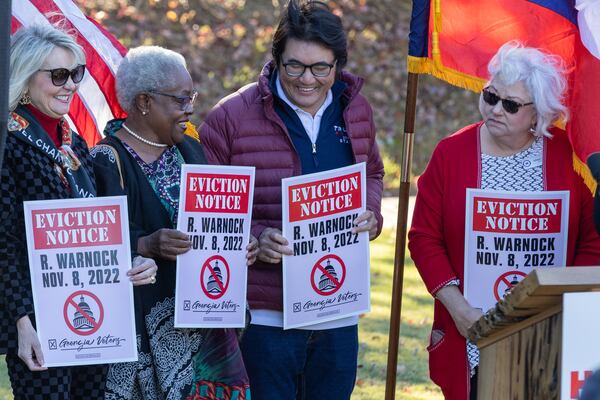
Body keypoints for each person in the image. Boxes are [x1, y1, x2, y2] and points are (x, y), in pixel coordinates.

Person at [199, 1, 384, 398]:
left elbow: (372, 172)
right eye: (294, 65)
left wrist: (371, 212)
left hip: (338, 313)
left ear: (338, 64)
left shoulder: (355, 108)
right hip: (265, 318)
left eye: (321, 67)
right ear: (276, 59)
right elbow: (206, 211)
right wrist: (257, 236)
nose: (307, 79)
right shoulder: (230, 117)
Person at [408, 41, 600, 400]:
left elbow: (594, 240)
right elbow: (423, 238)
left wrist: (566, 303)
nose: (495, 109)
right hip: (471, 333)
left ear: (538, 114)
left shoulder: (570, 158)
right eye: (491, 96)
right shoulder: (451, 154)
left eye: (510, 105)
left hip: (552, 333)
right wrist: (459, 309)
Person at [91, 45, 258, 400]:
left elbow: (219, 220)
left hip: (205, 328)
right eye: (181, 100)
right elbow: (95, 247)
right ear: (144, 102)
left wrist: (241, 242)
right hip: (147, 339)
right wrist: (145, 245)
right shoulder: (107, 159)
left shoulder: (190, 149)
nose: (190, 108)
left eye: (191, 97)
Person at [0, 24, 157, 399]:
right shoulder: (8, 144)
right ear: (25, 76)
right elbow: (3, 242)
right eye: (58, 75)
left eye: (75, 74)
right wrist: (22, 324)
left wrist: (135, 258)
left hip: (93, 316)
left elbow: (101, 227)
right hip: (36, 318)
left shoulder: (76, 144)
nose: (70, 85)